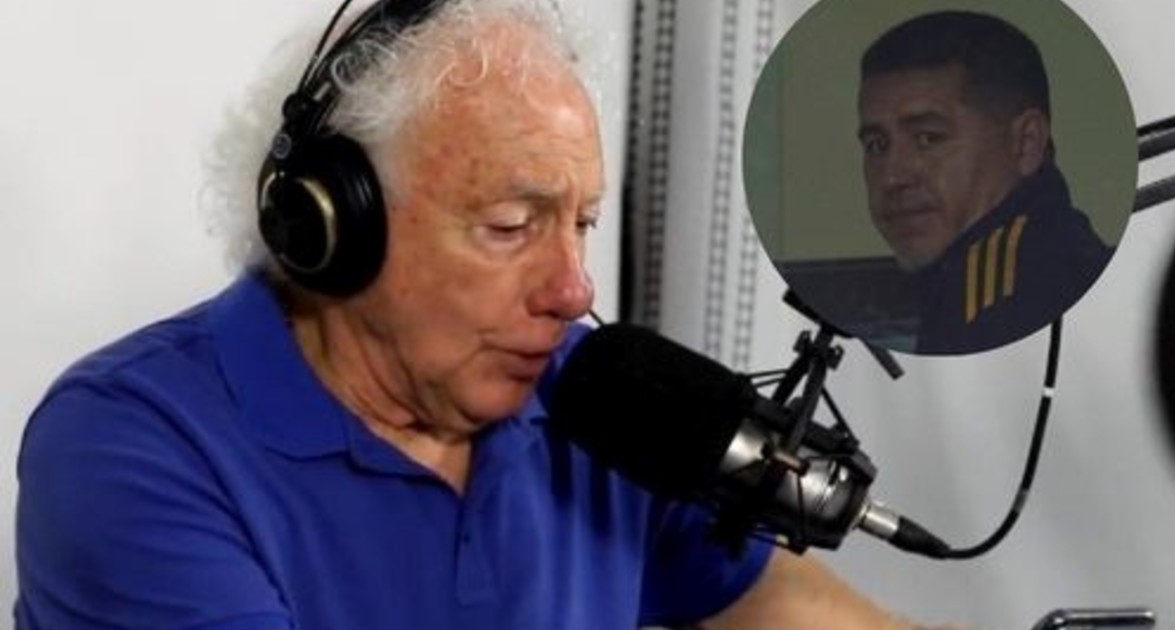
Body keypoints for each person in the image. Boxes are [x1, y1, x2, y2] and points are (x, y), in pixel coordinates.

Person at [16, 1, 952, 628]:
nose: (574, 290)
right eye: (511, 226)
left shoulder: (594, 393)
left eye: (581, 224)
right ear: (334, 226)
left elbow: (774, 599)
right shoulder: (126, 445)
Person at [855, 10, 1113, 355]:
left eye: (928, 138)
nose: (892, 177)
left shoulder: (1003, 291)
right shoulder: (1030, 259)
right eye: (876, 145)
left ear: (1026, 143)